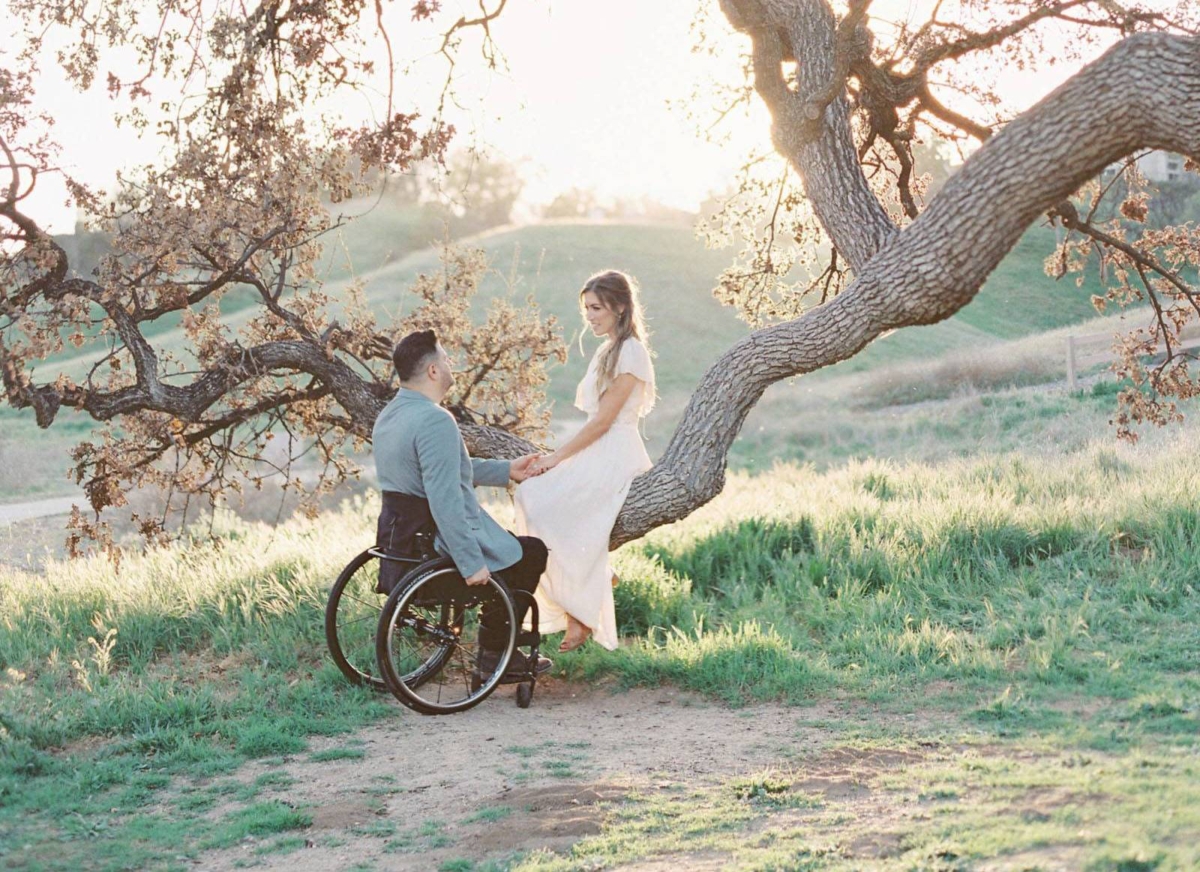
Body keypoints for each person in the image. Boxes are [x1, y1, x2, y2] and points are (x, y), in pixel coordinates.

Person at [372, 329, 552, 675]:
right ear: (433, 372)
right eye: (446, 358)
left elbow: (438, 472)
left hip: (400, 539)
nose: (451, 363)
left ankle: (496, 648)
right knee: (531, 553)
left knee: (518, 550)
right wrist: (471, 563)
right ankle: (496, 652)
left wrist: (505, 471)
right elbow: (444, 498)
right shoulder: (435, 420)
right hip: (433, 544)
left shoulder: (392, 415)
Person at [515, 270, 656, 652]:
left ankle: (582, 608)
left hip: (617, 452)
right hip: (599, 449)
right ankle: (594, 583)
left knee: (547, 502)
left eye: (596, 308)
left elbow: (604, 421)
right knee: (532, 497)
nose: (590, 317)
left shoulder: (631, 352)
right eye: (586, 309)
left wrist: (556, 458)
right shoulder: (606, 350)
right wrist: (554, 460)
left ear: (620, 306)